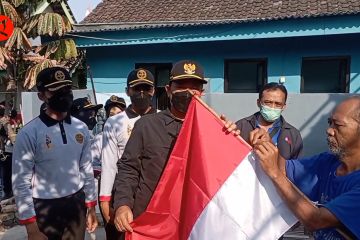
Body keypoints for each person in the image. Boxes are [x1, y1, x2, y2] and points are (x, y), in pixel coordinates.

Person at [112, 60, 238, 235]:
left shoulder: (214, 128)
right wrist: (122, 204)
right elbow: (128, 168)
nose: (188, 92)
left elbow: (227, 174)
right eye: (181, 86)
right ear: (168, 90)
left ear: (201, 92)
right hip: (152, 220)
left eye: (194, 87)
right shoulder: (147, 125)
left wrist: (229, 137)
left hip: (194, 222)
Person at [252, 96, 360, 239]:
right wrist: (266, 144)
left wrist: (275, 174)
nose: (329, 130)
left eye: (337, 125)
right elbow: (285, 168)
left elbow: (315, 220)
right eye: (330, 123)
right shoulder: (328, 162)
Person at [12, 67, 98, 240]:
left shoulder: (81, 128)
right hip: (45, 207)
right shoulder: (29, 133)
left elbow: (86, 169)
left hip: (76, 205)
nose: (63, 94)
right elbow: (21, 182)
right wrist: (31, 228)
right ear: (41, 95)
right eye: (56, 90)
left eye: (67, 88)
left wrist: (90, 207)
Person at [99, 69, 156, 240]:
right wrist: (105, 199)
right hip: (123, 192)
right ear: (127, 91)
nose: (141, 93)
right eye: (136, 88)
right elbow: (108, 163)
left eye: (146, 88)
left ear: (152, 91)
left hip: (152, 193)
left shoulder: (161, 120)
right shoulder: (114, 122)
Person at [236, 82, 303, 160]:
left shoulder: (293, 135)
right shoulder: (241, 126)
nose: (272, 107)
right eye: (268, 102)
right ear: (258, 103)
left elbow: (296, 167)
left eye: (278, 104)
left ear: (284, 107)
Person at [0, 105, 16, 200]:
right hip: (5, 151)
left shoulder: (5, 121)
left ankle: (6, 193)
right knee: (5, 174)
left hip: (5, 151)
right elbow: (11, 136)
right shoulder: (4, 122)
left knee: (6, 174)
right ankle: (6, 193)